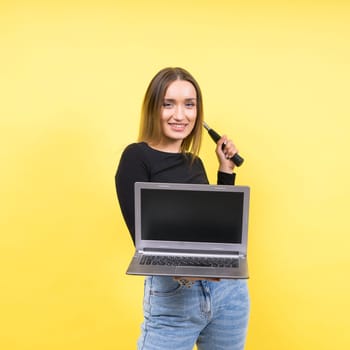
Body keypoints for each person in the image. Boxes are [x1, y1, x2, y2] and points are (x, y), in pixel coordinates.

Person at [115, 67, 249, 350]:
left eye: (189, 104)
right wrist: (186, 271)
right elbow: (145, 243)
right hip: (175, 295)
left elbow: (216, 235)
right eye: (168, 104)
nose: (180, 115)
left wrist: (225, 172)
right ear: (154, 108)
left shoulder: (194, 163)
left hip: (229, 294)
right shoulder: (136, 157)